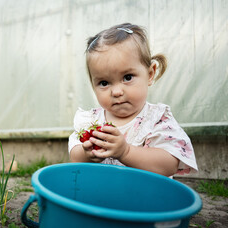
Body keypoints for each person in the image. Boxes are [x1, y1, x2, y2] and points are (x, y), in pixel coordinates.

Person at [68, 23, 198, 177]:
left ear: (150, 74)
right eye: (104, 83)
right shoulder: (91, 121)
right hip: (103, 196)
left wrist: (126, 151)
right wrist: (87, 154)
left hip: (145, 197)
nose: (116, 92)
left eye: (127, 77)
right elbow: (75, 157)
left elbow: (169, 164)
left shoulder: (156, 119)